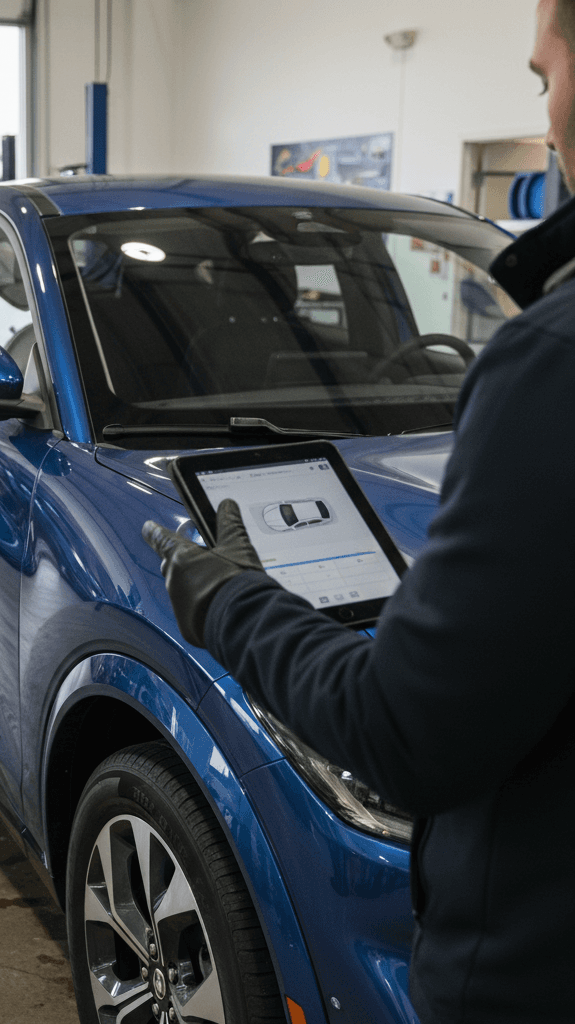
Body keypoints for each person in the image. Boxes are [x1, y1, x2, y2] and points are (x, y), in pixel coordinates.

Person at [142, 2, 575, 1022]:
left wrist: (229, 602)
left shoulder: (548, 368)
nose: (548, 116)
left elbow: (403, 731)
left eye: (544, 74)